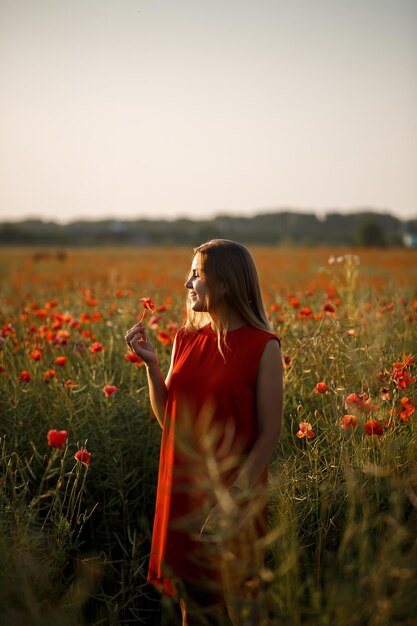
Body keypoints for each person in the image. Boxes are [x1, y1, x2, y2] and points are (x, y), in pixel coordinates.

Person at [125, 239, 283, 625]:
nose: (186, 283)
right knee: (193, 610)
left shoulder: (263, 347)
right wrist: (152, 367)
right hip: (183, 493)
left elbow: (269, 435)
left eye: (196, 274)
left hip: (233, 497)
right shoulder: (185, 340)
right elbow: (170, 423)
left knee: (238, 608)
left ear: (225, 283)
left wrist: (230, 503)